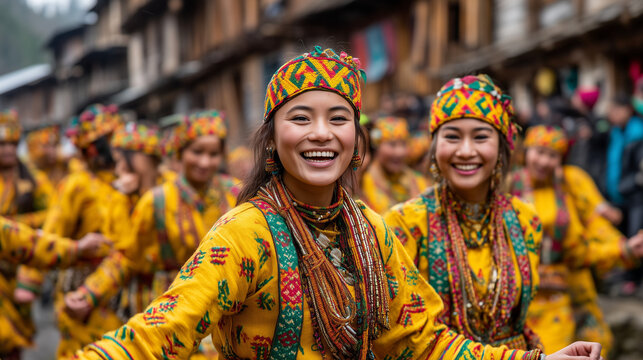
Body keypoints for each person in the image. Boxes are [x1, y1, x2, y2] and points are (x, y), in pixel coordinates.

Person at [69, 47, 601, 360]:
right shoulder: (245, 233)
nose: (320, 134)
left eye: (338, 119)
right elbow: (165, 328)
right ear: (272, 137)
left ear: (355, 138)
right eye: (300, 118)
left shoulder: (370, 229)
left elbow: (418, 339)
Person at [385, 75, 543, 350]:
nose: (466, 151)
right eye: (452, 137)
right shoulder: (405, 223)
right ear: (434, 148)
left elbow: (520, 318)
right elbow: (401, 331)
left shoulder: (524, 219)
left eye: (481, 137)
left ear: (502, 147)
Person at [65, 111, 239, 358]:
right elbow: (126, 257)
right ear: (180, 153)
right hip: (171, 309)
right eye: (197, 152)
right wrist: (89, 293)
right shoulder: (157, 201)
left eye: (213, 154)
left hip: (225, 309)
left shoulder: (236, 192)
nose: (204, 162)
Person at [508, 125, 643, 356]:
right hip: (519, 300)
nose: (544, 161)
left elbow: (585, 241)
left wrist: (624, 248)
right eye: (539, 152)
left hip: (568, 292)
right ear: (526, 152)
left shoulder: (569, 185)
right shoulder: (508, 186)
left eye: (552, 155)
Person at [42, 104, 133, 358]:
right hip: (82, 285)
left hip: (124, 287)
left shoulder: (130, 181)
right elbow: (50, 235)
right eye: (103, 144)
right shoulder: (76, 185)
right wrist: (30, 282)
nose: (111, 151)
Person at [0, 109, 54, 359]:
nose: (8, 150)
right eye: (2, 144)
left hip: (21, 267)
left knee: (17, 335)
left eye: (12, 144)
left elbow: (53, 215)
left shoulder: (34, 179)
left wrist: (16, 224)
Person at [361, 116, 429, 214]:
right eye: (392, 145)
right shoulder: (363, 181)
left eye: (403, 144)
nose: (400, 152)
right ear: (377, 146)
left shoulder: (418, 180)